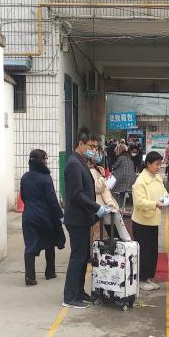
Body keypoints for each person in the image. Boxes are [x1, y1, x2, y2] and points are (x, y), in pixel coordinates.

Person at [62, 131, 108, 309]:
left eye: (96, 147)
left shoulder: (82, 162)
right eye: (91, 146)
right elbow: (76, 194)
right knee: (77, 258)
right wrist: (97, 208)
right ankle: (69, 297)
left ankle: (79, 292)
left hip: (83, 218)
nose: (94, 150)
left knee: (83, 258)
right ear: (81, 144)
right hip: (76, 219)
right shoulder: (74, 164)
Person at [20, 149, 65, 287]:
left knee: (30, 245)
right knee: (50, 242)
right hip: (45, 216)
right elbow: (52, 199)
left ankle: (30, 276)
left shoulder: (25, 177)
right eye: (45, 159)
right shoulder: (46, 177)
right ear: (40, 161)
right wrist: (60, 216)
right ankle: (50, 272)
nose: (46, 161)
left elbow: (23, 197)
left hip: (28, 215)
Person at [132, 151, 168, 291]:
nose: (159, 167)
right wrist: (155, 204)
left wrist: (166, 198)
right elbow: (139, 202)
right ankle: (141, 279)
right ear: (148, 164)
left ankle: (148, 278)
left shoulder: (157, 177)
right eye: (156, 164)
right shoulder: (141, 181)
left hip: (153, 220)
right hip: (142, 222)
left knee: (153, 251)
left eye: (160, 164)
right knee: (144, 252)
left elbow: (163, 192)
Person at [111, 143, 136, 208]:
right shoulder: (130, 160)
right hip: (132, 179)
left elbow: (115, 167)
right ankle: (128, 206)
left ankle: (120, 206)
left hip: (123, 178)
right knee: (125, 191)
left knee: (119, 190)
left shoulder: (120, 158)